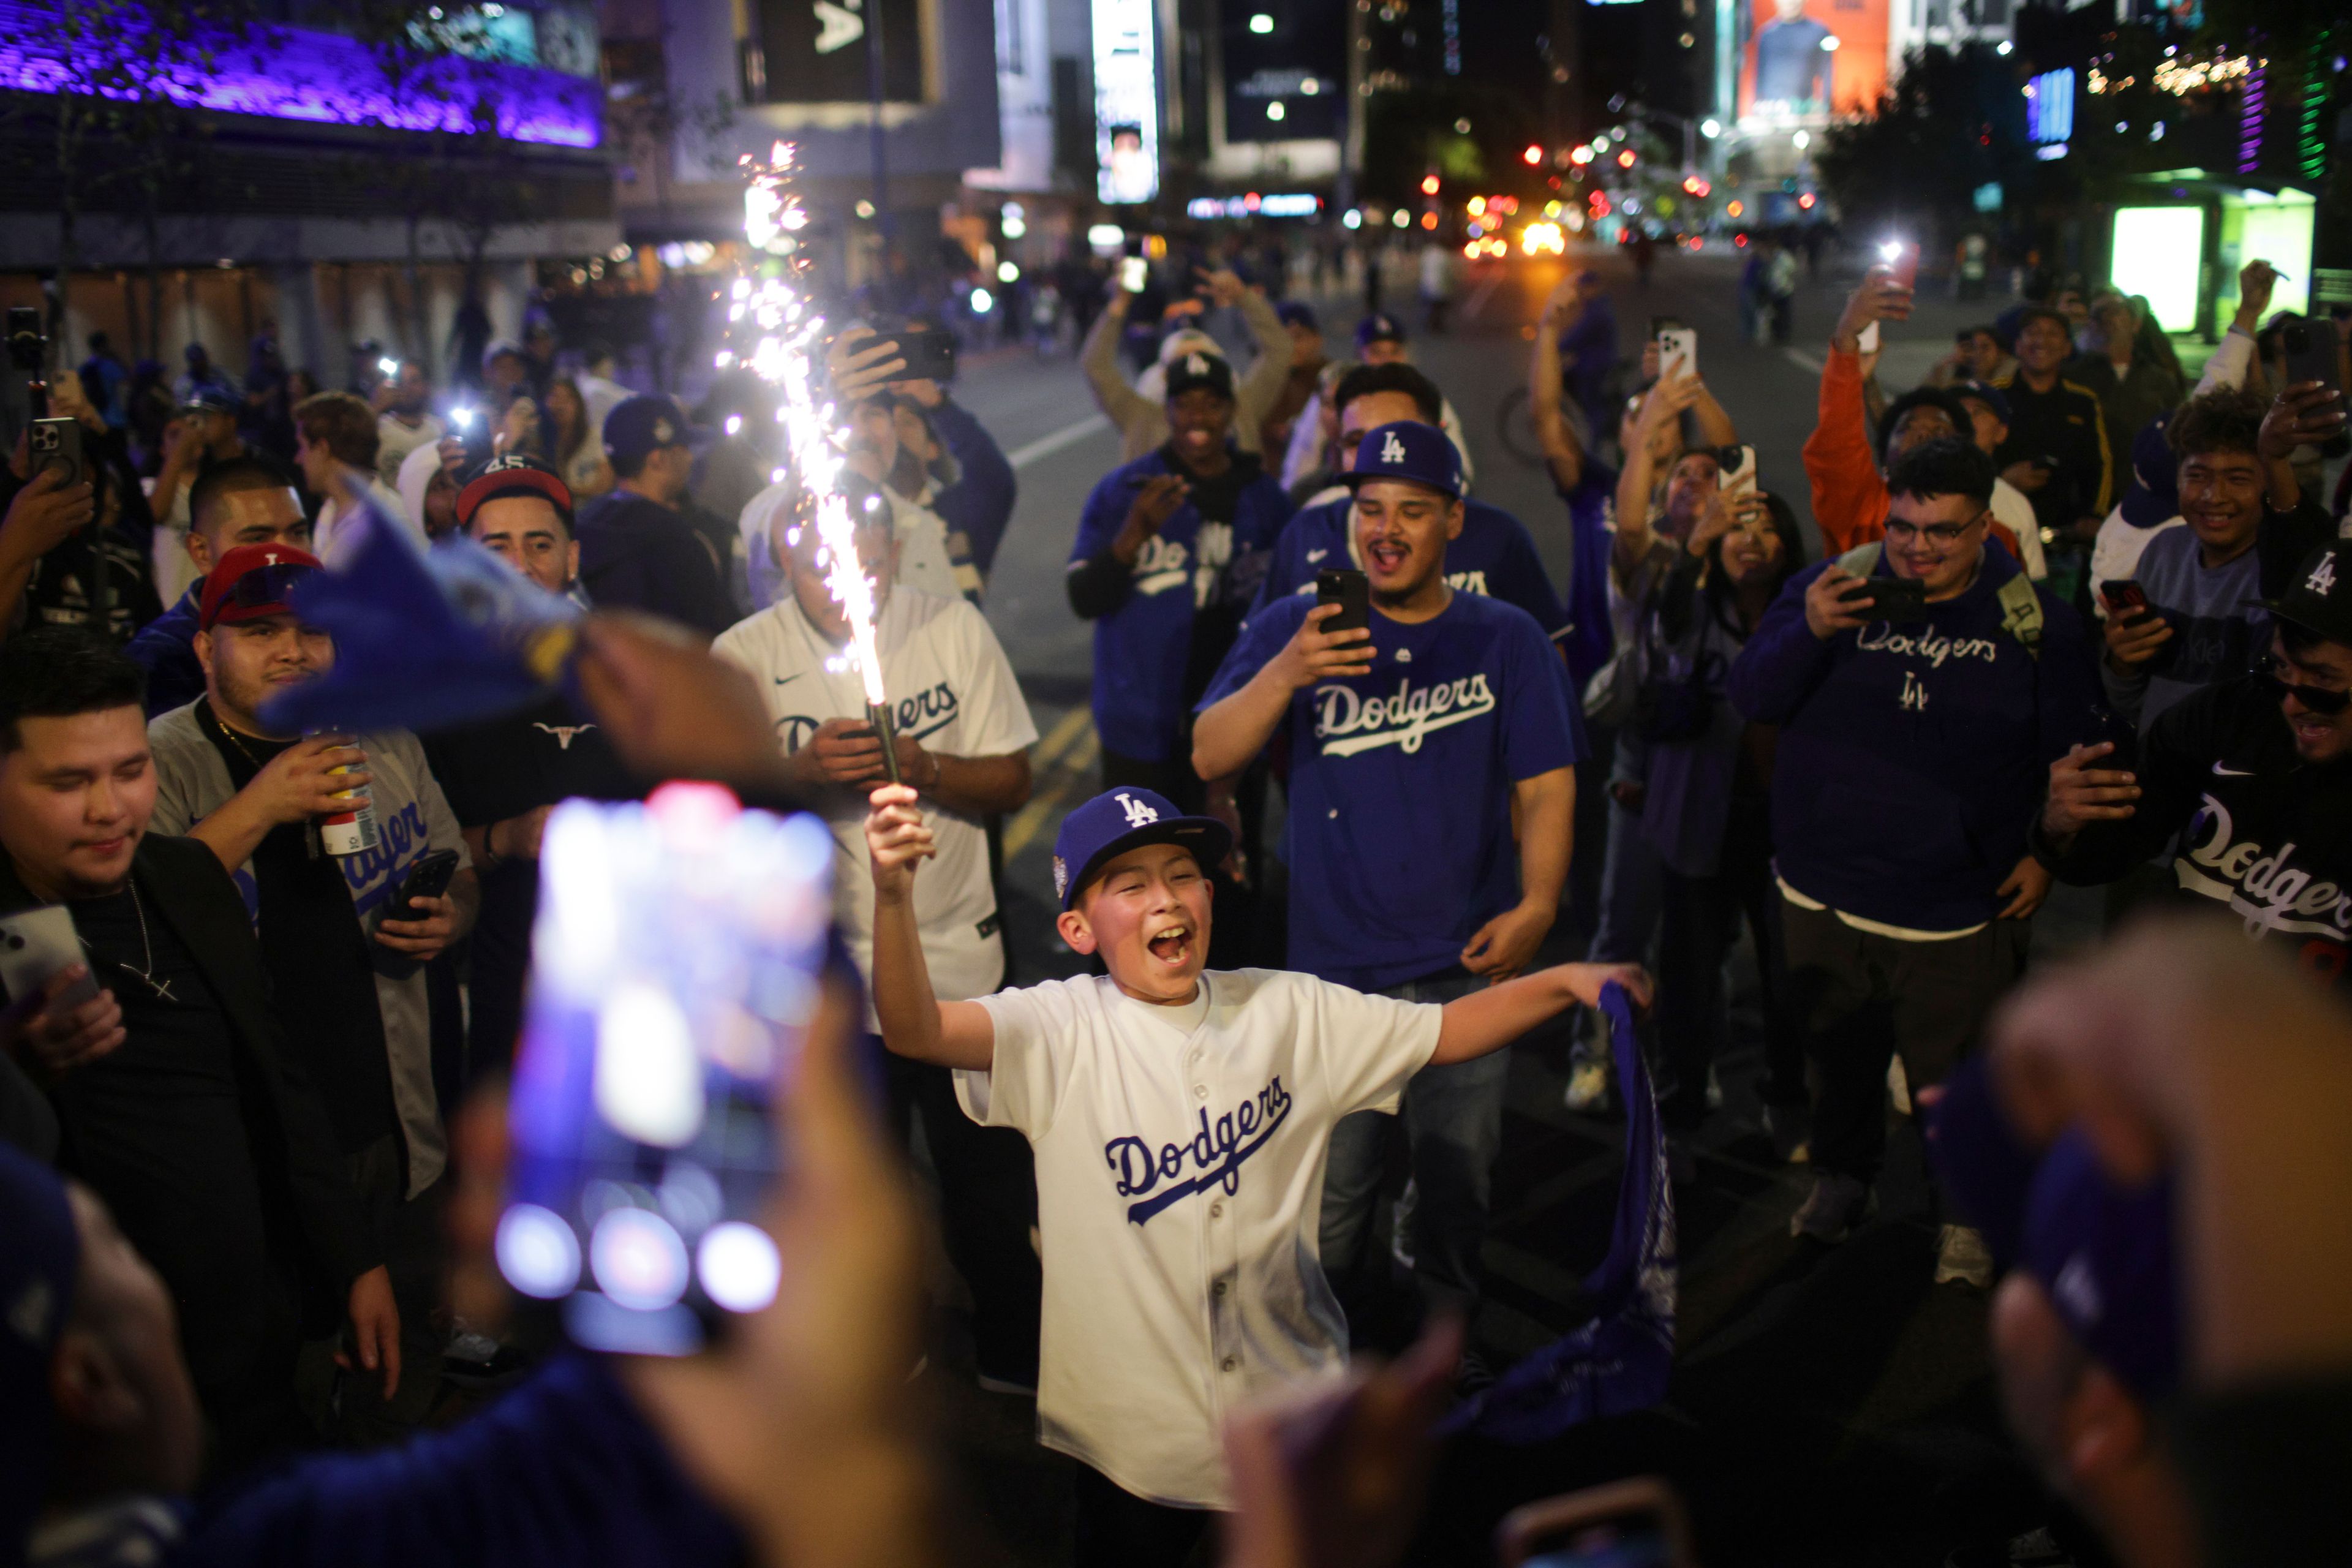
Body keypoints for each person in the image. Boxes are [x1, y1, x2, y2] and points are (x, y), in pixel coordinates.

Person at [862, 774, 1646, 1564]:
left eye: (1181, 878)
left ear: (1210, 896)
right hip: (1135, 1439)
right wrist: (894, 898)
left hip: (1289, 1408)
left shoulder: (1286, 1007)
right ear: (1076, 928)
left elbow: (1441, 1031)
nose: (1165, 899)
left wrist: (1567, 980)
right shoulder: (1058, 1026)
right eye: (1130, 886)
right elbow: (916, 1031)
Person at [1193, 422, 1583, 1346]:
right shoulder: (1298, 625)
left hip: (1465, 967)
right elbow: (1210, 750)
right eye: (1370, 510)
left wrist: (1538, 906)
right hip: (1334, 976)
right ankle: (1319, 1362)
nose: (1388, 529)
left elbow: (1550, 783)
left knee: (1458, 1185)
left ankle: (1444, 1348)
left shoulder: (1506, 637)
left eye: (1413, 510)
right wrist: (1289, 672)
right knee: (1331, 1200)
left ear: (1454, 519)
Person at [0, 628, 394, 1480]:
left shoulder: (183, 878)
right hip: (87, 1399)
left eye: (130, 771)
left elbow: (281, 1082)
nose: (111, 810)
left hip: (258, 1350)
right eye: (69, 782)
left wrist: (353, 1260)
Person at [1727, 439, 2106, 1278]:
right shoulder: (1831, 591)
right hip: (1823, 893)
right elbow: (1751, 693)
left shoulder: (2036, 622)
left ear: (1986, 529)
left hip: (1954, 910)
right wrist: (1812, 630)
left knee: (1961, 1084)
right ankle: (1842, 1180)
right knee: (1839, 1061)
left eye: (1942, 532)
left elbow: (2075, 758)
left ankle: (1965, 1216)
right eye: (1903, 527)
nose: (1917, 550)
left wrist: (2046, 855)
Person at [713, 483, 1042, 1393]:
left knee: (986, 1179)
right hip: (825, 981)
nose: (845, 581)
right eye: (820, 562)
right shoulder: (743, 655)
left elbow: (1014, 778)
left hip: (960, 964)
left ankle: (1016, 1355)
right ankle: (887, 1349)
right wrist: (802, 771)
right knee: (860, 1188)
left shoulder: (951, 630)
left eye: (866, 559)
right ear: (784, 558)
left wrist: (926, 763)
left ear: (893, 556)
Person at [146, 545, 477, 1444]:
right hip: (254, 1148)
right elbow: (134, 916)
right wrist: (259, 806)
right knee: (274, 1388)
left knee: (398, 1363)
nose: (292, 652)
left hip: (391, 1116)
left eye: (312, 632)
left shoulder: (381, 736)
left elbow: (459, 864)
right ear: (207, 648)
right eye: (260, 633)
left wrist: (449, 913)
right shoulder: (159, 760)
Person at [2035, 537, 2352, 986]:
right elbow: (2116, 847)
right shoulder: (2228, 713)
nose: (2292, 705)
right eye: (2280, 669)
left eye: (2322, 681)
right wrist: (2062, 827)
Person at [421, 458, 636, 1080]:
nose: (519, 564)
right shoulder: (434, 694)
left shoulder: (627, 671)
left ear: (572, 557)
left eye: (539, 544)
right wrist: (506, 837)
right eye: (497, 546)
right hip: (500, 993)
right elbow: (417, 856)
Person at [1622, 490, 1809, 1147]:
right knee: (1690, 982)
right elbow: (1661, 621)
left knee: (1789, 981)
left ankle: (1788, 1097)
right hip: (1701, 820)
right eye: (1735, 529)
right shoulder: (1693, 608)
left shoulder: (1806, 616)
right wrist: (1695, 542)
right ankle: (1681, 1114)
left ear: (1790, 543)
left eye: (1764, 528)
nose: (1748, 541)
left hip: (1787, 830)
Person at [1066, 350, 1294, 816]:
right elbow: (1084, 598)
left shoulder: (1264, 497)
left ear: (1231, 410)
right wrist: (1133, 535)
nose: (1198, 417)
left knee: (1226, 871)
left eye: (1212, 403)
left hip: (1232, 720)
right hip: (1141, 726)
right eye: (1184, 403)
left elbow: (1285, 611)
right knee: (1143, 863)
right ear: (1166, 411)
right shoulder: (1125, 491)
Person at [1251, 364, 1574, 657]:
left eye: (1394, 439)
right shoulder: (1303, 535)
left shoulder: (1498, 537)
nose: (1375, 456)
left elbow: (1548, 664)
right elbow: (1250, 666)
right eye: (1355, 441)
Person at [2096, 385, 2342, 732]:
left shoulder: (2285, 567)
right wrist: (2122, 661)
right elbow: (2133, 706)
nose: (2214, 496)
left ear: (2267, 483)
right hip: (2160, 769)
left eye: (2237, 478)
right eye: (2197, 476)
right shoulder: (2162, 552)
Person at [1804, 267, 2038, 571]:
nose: (1921, 435)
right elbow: (1837, 443)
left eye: (1939, 429)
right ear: (1885, 454)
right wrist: (1846, 342)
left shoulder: (1998, 540)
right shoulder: (1861, 510)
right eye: (1906, 428)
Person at [126, 457, 313, 717]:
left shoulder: (329, 628)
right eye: (258, 538)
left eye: (298, 533)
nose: (283, 552)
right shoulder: (160, 659)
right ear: (201, 551)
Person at [1084, 268, 1294, 463]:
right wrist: (1119, 304)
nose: (1193, 369)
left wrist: (1244, 297)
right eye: (1180, 363)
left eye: (1204, 360)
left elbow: (1278, 352)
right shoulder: (1143, 419)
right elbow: (1096, 366)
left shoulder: (1241, 412)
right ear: (1163, 375)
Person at [574, 394, 739, 639]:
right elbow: (718, 640)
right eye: (684, 448)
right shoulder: (681, 541)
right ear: (658, 460)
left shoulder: (581, 526)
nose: (691, 458)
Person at [1279, 314, 1475, 494]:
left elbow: (1460, 468)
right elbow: (1303, 457)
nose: (1386, 361)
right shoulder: (1337, 396)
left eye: (1394, 352)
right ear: (1359, 355)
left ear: (1406, 355)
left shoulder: (1428, 398)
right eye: (1375, 352)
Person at [1992, 305, 2114, 549]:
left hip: (2064, 535)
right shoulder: (1995, 396)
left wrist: (2094, 516)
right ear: (2018, 345)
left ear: (2067, 348)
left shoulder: (2083, 402)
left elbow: (2100, 464)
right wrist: (2002, 482)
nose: (2042, 341)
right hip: (2000, 527)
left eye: (2052, 334)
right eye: (2033, 332)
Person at [146, 385, 252, 608]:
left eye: (192, 431)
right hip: (166, 604)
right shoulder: (148, 487)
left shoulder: (216, 491)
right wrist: (178, 453)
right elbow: (154, 513)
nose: (186, 439)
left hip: (212, 605)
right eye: (175, 435)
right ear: (162, 448)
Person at [294, 391, 418, 561]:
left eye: (303, 447)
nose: (298, 459)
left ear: (323, 449)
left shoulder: (395, 522)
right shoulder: (329, 510)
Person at [1947, 379, 2049, 578]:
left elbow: (2032, 586)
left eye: (1978, 412)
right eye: (1956, 411)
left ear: (2001, 432)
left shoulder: (2016, 504)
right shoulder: (1914, 495)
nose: (1966, 420)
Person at [2072, 292, 2184, 470]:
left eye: (2114, 311)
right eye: (2098, 313)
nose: (2106, 318)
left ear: (2136, 325)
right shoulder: (2074, 377)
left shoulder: (2159, 380)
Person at [1258, 301, 1328, 458]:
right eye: (1282, 339)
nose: (1291, 346)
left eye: (1298, 337)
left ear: (1317, 339)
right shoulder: (1260, 384)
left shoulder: (1331, 381)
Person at [369, 361, 443, 492]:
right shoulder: (378, 427)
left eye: (414, 381)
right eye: (401, 382)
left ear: (427, 386)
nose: (406, 388)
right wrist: (375, 409)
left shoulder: (439, 428)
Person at [1752, 0, 1833, 113]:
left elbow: (1827, 72)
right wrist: (1758, 107)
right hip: (1772, 112)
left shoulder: (1820, 32)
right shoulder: (1767, 35)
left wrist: (1826, 107)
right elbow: (1760, 75)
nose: (1790, 3)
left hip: (1804, 111)